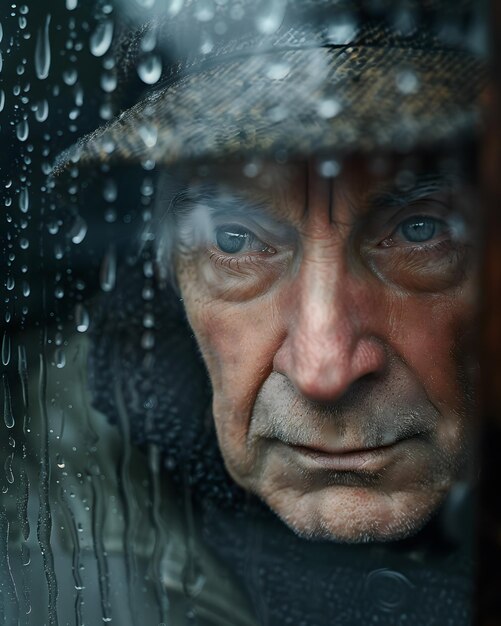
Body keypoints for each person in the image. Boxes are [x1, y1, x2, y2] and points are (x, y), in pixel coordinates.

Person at [53, 0, 487, 623]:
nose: (324, 369)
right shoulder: (35, 532)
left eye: (421, 232)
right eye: (234, 241)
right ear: (165, 276)